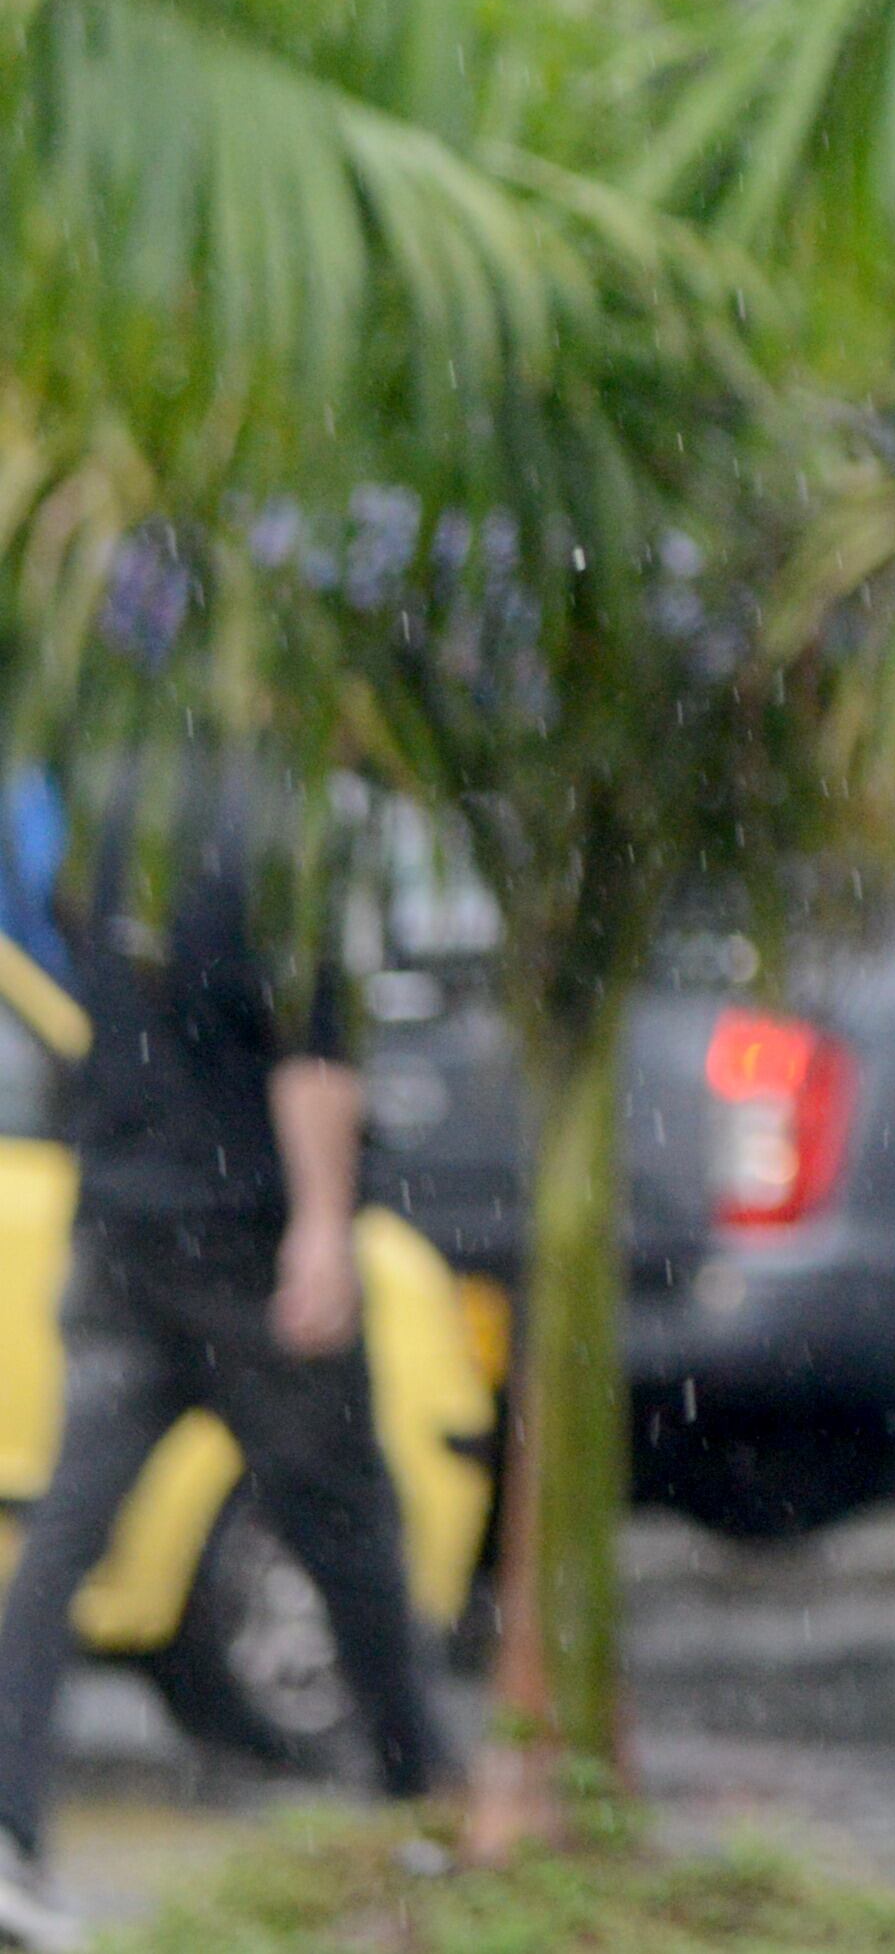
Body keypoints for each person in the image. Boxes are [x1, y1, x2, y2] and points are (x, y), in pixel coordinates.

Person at [0, 767, 456, 1949]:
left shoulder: (118, 822)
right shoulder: (289, 828)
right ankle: (424, 1809)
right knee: (348, 1530)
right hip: (242, 1237)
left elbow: (87, 998)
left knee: (61, 1542)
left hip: (122, 1225)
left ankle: (7, 1833)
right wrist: (320, 1225)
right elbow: (308, 1047)